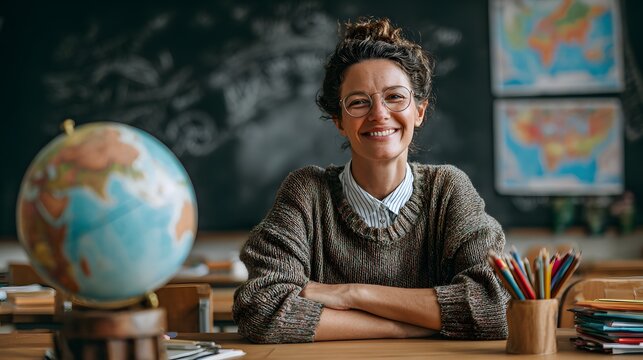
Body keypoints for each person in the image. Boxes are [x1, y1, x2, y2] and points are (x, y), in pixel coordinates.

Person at [232, 17, 509, 344]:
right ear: (339, 121)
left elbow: (495, 306)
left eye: (395, 97)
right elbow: (261, 311)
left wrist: (354, 294)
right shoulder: (307, 192)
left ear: (419, 111)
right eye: (359, 102)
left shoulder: (449, 190)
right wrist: (407, 327)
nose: (379, 114)